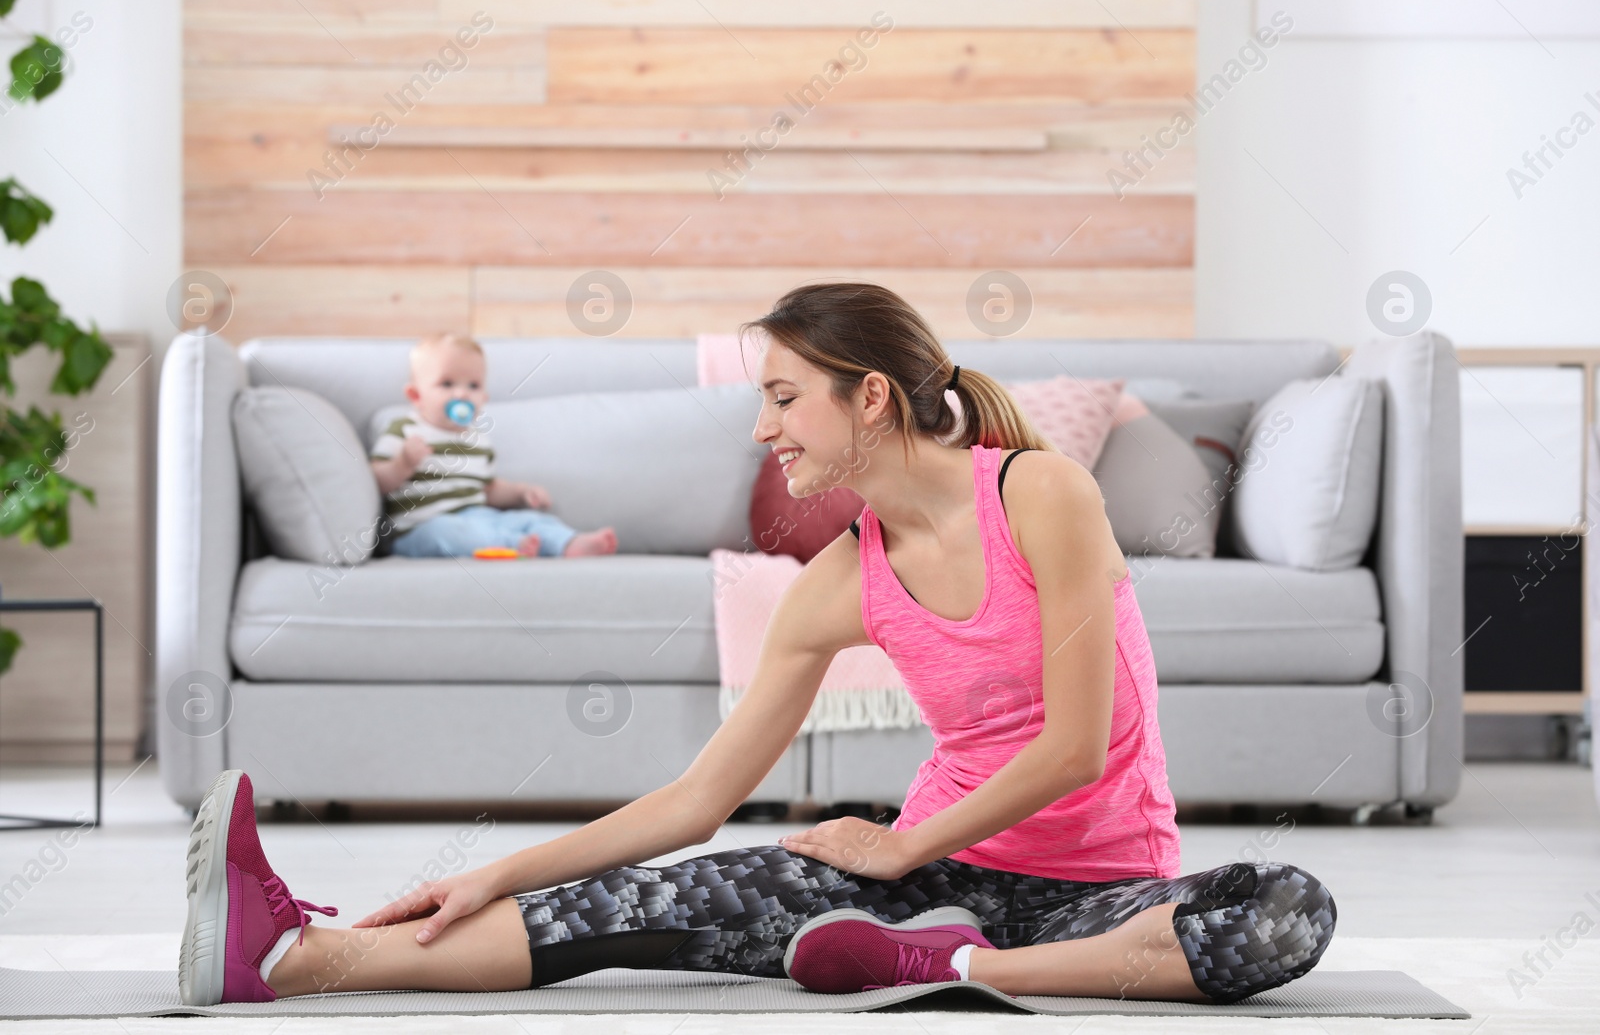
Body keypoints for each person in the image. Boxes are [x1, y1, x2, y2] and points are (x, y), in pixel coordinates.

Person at [178, 283, 1335, 1006]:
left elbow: (1077, 747)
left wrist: (895, 850)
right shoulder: (840, 580)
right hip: (926, 880)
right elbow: (695, 799)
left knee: (1286, 906)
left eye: (784, 397)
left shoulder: (1042, 493)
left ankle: (953, 970)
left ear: (870, 396)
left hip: (1095, 895)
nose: (760, 424)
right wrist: (500, 865)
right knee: (635, 901)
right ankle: (295, 953)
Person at [370, 332, 617, 559]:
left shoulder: (478, 440)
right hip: (419, 528)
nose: (463, 395)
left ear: (484, 398)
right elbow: (377, 480)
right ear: (416, 396)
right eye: (447, 384)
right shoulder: (404, 429)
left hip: (478, 517)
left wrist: (520, 492)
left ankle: (568, 543)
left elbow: (488, 491)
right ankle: (511, 545)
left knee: (527, 519)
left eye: (473, 386)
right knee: (449, 532)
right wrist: (402, 464)